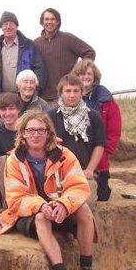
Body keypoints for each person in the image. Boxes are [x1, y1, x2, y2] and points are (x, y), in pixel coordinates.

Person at [0, 110, 97, 270]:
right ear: (23, 134)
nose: (36, 135)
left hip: (60, 207)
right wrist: (41, 206)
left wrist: (63, 203)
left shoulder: (64, 155)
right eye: (31, 130)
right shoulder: (14, 160)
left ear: (49, 133)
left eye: (41, 130)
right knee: (41, 219)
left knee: (84, 209)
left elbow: (78, 186)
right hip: (31, 213)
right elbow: (16, 198)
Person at [49, 74, 105, 204]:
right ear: (61, 93)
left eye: (76, 91)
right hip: (59, 174)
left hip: (85, 173)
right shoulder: (51, 116)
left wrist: (90, 170)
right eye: (68, 91)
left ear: (82, 92)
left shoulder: (94, 116)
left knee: (85, 203)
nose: (72, 95)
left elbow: (99, 145)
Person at [72, 59, 122, 201]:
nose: (85, 77)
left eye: (88, 73)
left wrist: (105, 153)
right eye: (81, 74)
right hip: (77, 156)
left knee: (102, 197)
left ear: (94, 76)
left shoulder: (106, 100)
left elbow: (114, 131)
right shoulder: (70, 98)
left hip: (99, 157)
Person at [34, 8, 96, 102]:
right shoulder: (36, 43)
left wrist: (78, 71)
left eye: (52, 19)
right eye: (46, 19)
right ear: (42, 22)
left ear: (58, 22)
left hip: (67, 95)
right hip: (43, 98)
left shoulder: (68, 38)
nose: (49, 22)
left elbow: (90, 52)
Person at [0, 11, 47, 97]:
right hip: (0, 97)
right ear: (1, 27)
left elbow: (39, 69)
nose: (8, 27)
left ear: (17, 26)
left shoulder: (29, 45)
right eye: (5, 24)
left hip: (23, 97)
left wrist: (36, 90)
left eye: (11, 24)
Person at [0, 92, 21, 207]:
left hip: (27, 174)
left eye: (11, 109)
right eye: (3, 110)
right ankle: (8, 204)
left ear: (18, 110)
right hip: (5, 178)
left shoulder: (28, 129)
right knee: (2, 160)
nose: (7, 113)